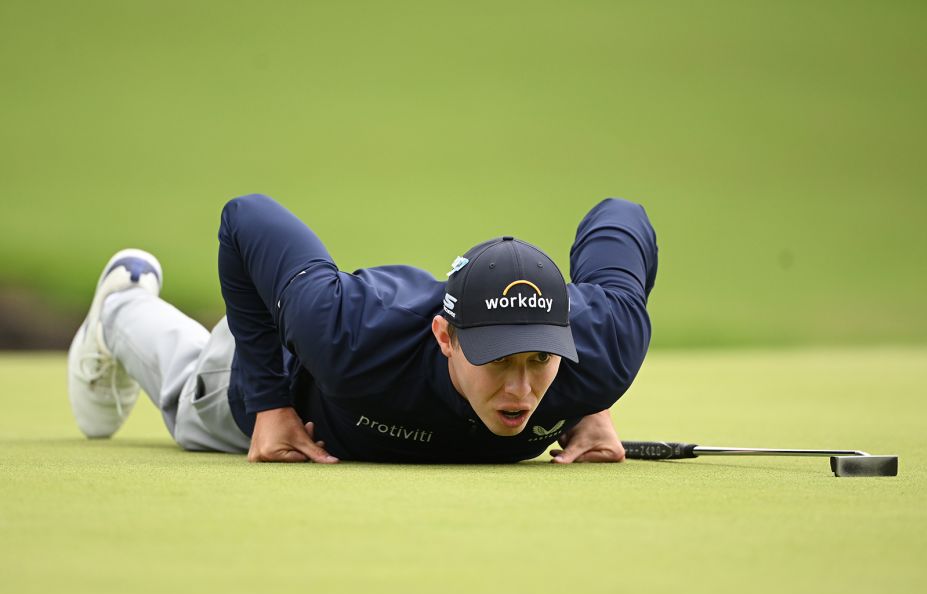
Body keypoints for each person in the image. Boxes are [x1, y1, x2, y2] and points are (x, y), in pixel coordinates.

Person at [67, 195, 658, 464]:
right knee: (191, 394)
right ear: (445, 337)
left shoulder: (604, 350)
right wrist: (271, 404)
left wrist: (590, 400)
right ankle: (121, 304)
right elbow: (245, 217)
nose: (522, 390)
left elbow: (621, 214)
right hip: (285, 374)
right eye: (498, 359)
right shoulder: (346, 332)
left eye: (538, 360)